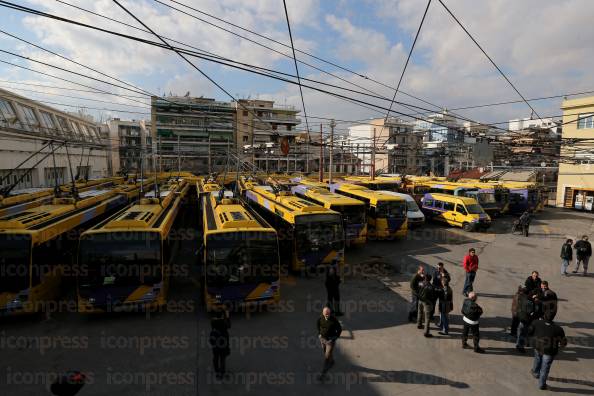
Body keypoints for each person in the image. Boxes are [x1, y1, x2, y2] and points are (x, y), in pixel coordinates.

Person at [527, 313, 568, 390]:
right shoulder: (558, 329)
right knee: (545, 368)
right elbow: (563, 343)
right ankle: (541, 385)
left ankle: (535, 373)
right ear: (553, 317)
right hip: (549, 351)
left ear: (544, 316)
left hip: (537, 346)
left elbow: (529, 332)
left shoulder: (536, 322)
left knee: (537, 358)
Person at [317, 307, 342, 377]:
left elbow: (339, 329)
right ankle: (332, 361)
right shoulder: (320, 318)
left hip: (330, 341)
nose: (326, 316)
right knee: (325, 351)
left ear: (330, 313)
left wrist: (335, 337)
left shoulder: (334, 320)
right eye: (325, 314)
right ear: (323, 313)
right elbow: (318, 325)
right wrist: (319, 334)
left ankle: (323, 373)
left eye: (328, 314)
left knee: (326, 356)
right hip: (322, 339)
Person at [209, 309, 231, 379]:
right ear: (222, 315)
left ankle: (217, 371)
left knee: (215, 357)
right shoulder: (223, 322)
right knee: (222, 359)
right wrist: (227, 316)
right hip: (223, 343)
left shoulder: (213, 321)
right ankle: (222, 373)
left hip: (215, 343)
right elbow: (229, 325)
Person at [516, 286, 537, 353]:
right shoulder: (529, 301)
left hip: (520, 317)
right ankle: (520, 346)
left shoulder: (520, 297)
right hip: (526, 319)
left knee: (520, 332)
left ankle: (518, 344)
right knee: (523, 333)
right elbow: (530, 311)